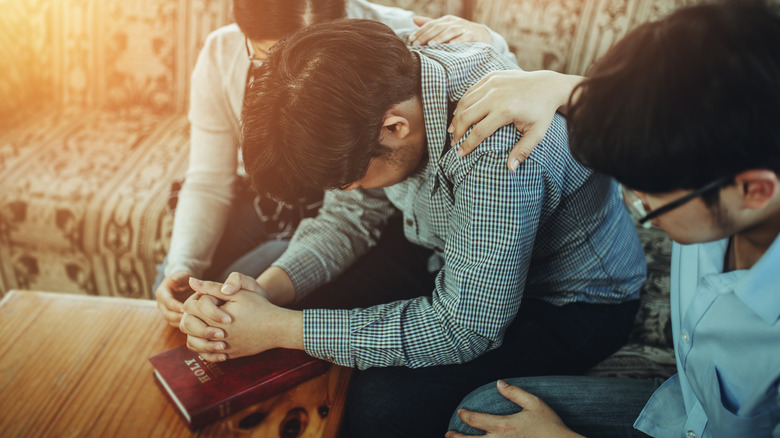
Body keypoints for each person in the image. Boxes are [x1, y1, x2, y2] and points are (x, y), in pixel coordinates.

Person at [176, 18, 647, 437]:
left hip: (570, 302)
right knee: (283, 293)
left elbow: (465, 327)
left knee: (382, 406)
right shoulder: (385, 74)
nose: (349, 190)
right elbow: (351, 216)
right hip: (445, 241)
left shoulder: (494, 150)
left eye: (351, 179)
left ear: (395, 128)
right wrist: (266, 293)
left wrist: (282, 329)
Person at [446, 1, 780, 436]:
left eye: (650, 197)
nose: (635, 206)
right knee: (488, 412)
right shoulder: (724, 150)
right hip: (685, 403)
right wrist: (554, 85)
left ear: (755, 190)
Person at [153, 0, 518, 328]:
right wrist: (189, 267)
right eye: (271, 58)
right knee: (186, 292)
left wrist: (490, 43)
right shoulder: (221, 53)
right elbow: (210, 181)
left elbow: (466, 321)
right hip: (283, 201)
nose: (292, 78)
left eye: (311, 56)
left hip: (362, 202)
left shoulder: (478, 135)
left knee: (241, 302)